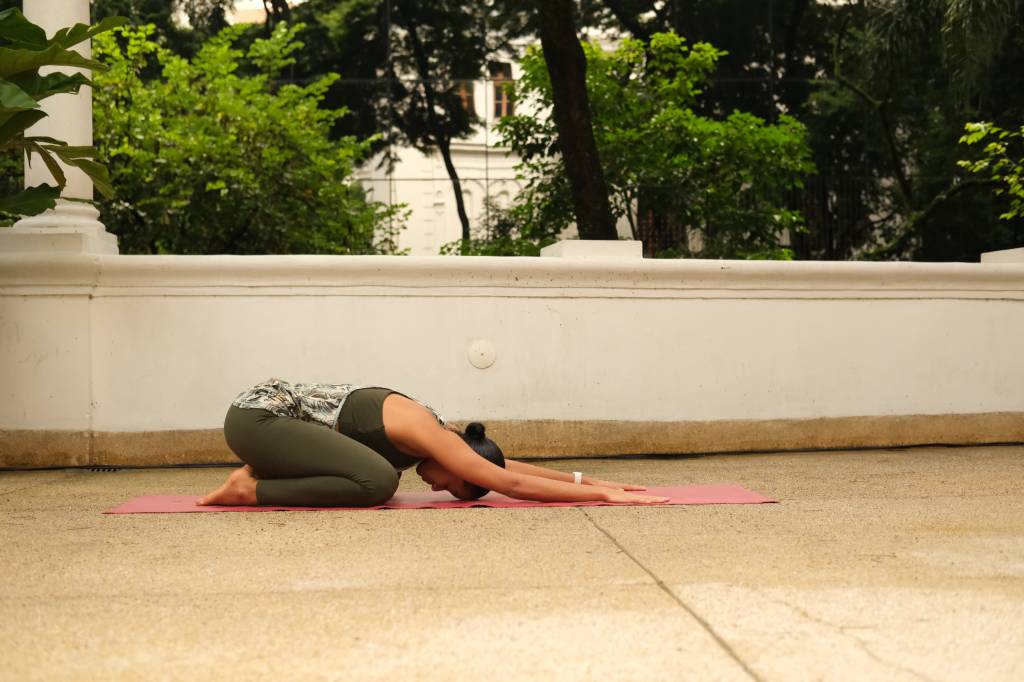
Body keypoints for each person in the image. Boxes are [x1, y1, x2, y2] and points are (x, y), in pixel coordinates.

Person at [198, 378, 669, 507]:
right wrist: (602, 497)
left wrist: (591, 478)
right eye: (454, 487)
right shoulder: (427, 432)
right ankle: (249, 490)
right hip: (258, 417)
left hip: (268, 426)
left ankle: (256, 479)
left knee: (376, 477)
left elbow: (511, 469)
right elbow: (510, 485)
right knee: (379, 482)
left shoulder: (442, 439)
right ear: (461, 465)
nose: (438, 487)